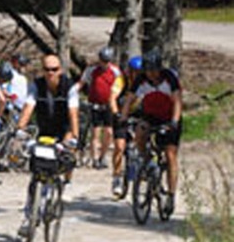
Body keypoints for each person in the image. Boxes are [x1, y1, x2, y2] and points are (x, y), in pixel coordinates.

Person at [15, 54, 80, 234]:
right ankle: (30, 216)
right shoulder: (37, 85)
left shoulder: (69, 87)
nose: (50, 73)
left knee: (60, 162)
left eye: (54, 69)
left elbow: (73, 114)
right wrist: (20, 128)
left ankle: (62, 187)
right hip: (45, 130)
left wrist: (73, 137)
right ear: (42, 70)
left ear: (60, 70)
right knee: (36, 173)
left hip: (63, 130)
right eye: (47, 70)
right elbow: (28, 108)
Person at [120, 50, 183, 215]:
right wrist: (123, 117)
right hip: (151, 115)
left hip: (169, 117)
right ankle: (146, 161)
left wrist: (174, 121)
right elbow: (129, 99)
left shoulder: (169, 78)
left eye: (154, 70)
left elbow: (177, 100)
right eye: (148, 70)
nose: (151, 74)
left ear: (159, 69)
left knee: (170, 155)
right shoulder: (141, 80)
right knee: (140, 132)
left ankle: (170, 194)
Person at [77, 46, 122, 169]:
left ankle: (103, 156)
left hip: (109, 104)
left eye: (107, 61)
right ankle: (95, 158)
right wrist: (73, 92)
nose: (104, 63)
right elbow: (82, 83)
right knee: (95, 132)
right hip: (95, 104)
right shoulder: (91, 70)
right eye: (103, 60)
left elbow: (119, 85)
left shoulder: (115, 71)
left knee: (109, 132)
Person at [109, 55, 142, 197]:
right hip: (122, 115)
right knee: (119, 147)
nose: (136, 75)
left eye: (139, 72)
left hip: (138, 115)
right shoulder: (121, 79)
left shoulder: (144, 82)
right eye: (133, 71)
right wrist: (116, 113)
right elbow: (112, 97)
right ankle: (116, 177)